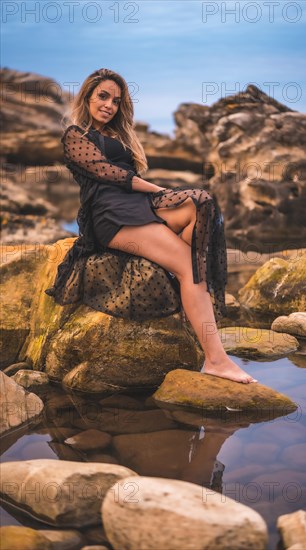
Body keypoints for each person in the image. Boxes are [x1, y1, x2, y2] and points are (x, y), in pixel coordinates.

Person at [46, 68, 257, 384]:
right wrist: (159, 190)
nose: (109, 105)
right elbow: (109, 175)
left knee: (202, 202)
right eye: (103, 96)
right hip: (110, 216)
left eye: (116, 101)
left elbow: (128, 175)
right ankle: (216, 360)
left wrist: (159, 193)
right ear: (87, 96)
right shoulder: (75, 135)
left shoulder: (118, 136)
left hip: (136, 206)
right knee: (190, 264)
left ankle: (188, 284)